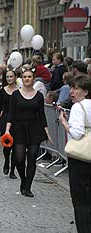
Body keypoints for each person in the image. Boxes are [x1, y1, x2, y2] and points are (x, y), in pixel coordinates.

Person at [5, 69, 53, 198]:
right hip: (19, 128)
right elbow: (11, 113)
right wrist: (7, 130)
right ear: (22, 78)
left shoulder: (38, 96)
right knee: (19, 158)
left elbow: (42, 115)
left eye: (29, 77)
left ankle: (28, 187)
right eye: (25, 76)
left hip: (34, 129)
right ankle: (23, 180)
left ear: (33, 79)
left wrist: (47, 132)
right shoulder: (15, 95)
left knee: (32, 159)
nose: (27, 79)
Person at [59, 74, 91, 233]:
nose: (72, 92)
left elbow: (77, 133)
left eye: (76, 88)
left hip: (80, 157)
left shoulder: (79, 107)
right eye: (71, 88)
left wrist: (64, 122)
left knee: (80, 202)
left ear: (85, 91)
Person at [0, 70, 18, 179]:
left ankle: (13, 169)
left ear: (15, 77)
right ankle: (7, 160)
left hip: (17, 120)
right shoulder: (2, 91)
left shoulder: (20, 91)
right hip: (5, 118)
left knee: (16, 146)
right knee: (7, 145)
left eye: (11, 76)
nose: (9, 79)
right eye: (7, 77)